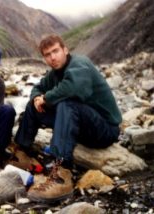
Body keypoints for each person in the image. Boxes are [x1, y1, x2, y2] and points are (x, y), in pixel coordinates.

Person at [15, 35, 122, 202]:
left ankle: (62, 172)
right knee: (33, 106)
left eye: (55, 51)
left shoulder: (80, 64)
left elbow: (73, 88)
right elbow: (38, 87)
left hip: (104, 129)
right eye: (47, 54)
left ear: (65, 50)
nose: (52, 57)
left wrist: (46, 98)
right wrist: (37, 98)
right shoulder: (54, 73)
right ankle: (22, 153)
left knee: (67, 103)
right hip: (81, 126)